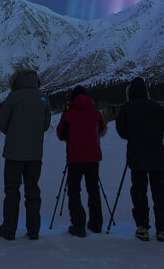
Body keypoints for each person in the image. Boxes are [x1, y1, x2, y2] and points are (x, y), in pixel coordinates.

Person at [0, 68, 52, 240]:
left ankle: (9, 230)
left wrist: (13, 134)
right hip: (35, 154)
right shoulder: (43, 98)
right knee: (33, 190)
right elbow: (45, 124)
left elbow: (1, 123)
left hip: (13, 154)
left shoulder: (13, 97)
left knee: (12, 191)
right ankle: (34, 230)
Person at [115, 76, 164, 242]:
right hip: (157, 155)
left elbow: (122, 131)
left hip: (136, 155)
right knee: (160, 190)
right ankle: (161, 228)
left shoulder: (126, 108)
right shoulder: (156, 107)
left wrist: (134, 136)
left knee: (139, 191)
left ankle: (142, 227)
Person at [56, 85, 108, 237]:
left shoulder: (68, 114)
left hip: (75, 158)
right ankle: (96, 224)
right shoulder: (96, 113)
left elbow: (61, 134)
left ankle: (78, 225)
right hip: (93, 158)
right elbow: (103, 130)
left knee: (74, 191)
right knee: (93, 190)